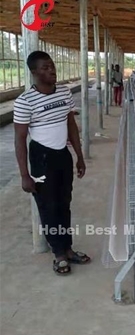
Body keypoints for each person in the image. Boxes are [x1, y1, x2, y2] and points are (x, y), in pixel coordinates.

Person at [13, 51, 91, 276]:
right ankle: (58, 254)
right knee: (48, 206)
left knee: (64, 202)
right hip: (42, 157)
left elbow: (71, 125)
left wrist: (79, 155)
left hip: (61, 154)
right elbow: (19, 139)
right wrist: (24, 174)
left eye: (52, 66)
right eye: (45, 68)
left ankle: (68, 248)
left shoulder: (64, 93)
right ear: (34, 72)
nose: (52, 70)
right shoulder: (25, 101)